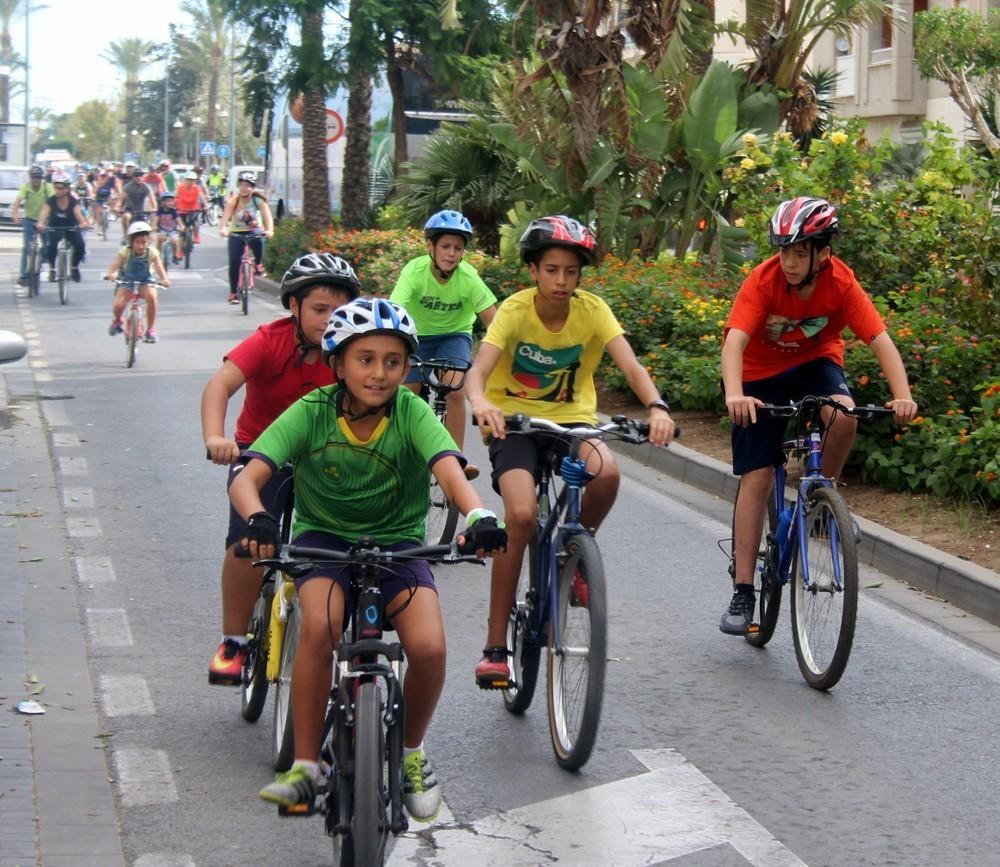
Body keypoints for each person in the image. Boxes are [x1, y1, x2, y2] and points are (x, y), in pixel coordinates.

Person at [230, 297, 507, 819]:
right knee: (321, 627)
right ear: (337, 363)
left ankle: (411, 754)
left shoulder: (411, 410)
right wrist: (257, 518)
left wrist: (479, 518)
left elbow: (448, 468)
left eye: (393, 362)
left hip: (399, 543)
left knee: (427, 646)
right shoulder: (311, 411)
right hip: (325, 542)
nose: (379, 373)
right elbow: (249, 478)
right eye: (365, 359)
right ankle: (308, 767)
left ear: (407, 367)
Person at [465, 215, 676, 686]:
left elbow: (631, 364)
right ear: (534, 271)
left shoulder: (593, 311)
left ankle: (571, 556)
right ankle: (495, 646)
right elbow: (477, 372)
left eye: (571, 271)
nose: (562, 280)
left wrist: (657, 406)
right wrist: (480, 402)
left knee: (607, 474)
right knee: (519, 517)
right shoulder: (515, 312)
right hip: (514, 425)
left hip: (572, 422)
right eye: (552, 270)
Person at [719, 196, 918, 635]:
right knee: (757, 477)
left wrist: (902, 396)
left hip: (815, 363)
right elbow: (734, 342)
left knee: (844, 415)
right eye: (784, 251)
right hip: (757, 374)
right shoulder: (763, 280)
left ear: (822, 253)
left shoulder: (841, 284)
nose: (788, 262)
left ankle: (821, 502)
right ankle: (743, 590)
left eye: (799, 252)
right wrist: (735, 394)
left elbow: (880, 340)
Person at [201, 253, 362, 686]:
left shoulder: (351, 353)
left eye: (339, 311)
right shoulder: (269, 340)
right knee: (246, 541)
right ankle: (232, 640)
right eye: (319, 309)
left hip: (324, 458)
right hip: (261, 454)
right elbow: (220, 384)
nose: (330, 320)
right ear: (293, 306)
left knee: (354, 545)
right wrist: (217, 437)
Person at [390, 210, 497, 479]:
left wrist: (498, 356)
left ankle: (455, 459)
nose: (451, 253)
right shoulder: (414, 272)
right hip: (416, 336)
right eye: (445, 246)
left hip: (454, 336)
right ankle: (403, 449)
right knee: (408, 390)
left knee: (454, 389)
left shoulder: (469, 277)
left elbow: (494, 323)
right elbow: (395, 313)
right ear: (431, 246)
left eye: (458, 248)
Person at [103, 220, 168, 343]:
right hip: (127, 282)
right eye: (137, 242)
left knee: (153, 298)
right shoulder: (125, 251)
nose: (141, 246)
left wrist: (165, 279)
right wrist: (110, 273)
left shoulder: (152, 252)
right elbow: (116, 263)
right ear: (131, 242)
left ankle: (150, 330)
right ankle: (117, 321)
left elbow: (159, 266)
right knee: (118, 305)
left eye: (144, 242)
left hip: (145, 282)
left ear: (149, 241)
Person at [220, 171, 274, 305]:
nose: (244, 188)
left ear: (253, 188)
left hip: (253, 231)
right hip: (236, 233)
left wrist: (269, 230)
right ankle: (233, 293)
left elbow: (268, 217)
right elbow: (225, 217)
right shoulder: (234, 201)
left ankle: (259, 265)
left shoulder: (258, 201)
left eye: (247, 185)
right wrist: (223, 229)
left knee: (259, 239)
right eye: (242, 185)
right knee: (234, 262)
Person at [35, 171, 90, 284]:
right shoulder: (50, 201)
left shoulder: (73, 202)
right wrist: (40, 224)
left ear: (67, 189)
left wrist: (83, 224)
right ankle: (52, 269)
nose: (57, 190)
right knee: (51, 244)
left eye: (60, 188)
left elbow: (79, 216)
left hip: (71, 228)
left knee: (80, 245)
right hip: (55, 228)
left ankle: (74, 267)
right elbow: (43, 215)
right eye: (55, 188)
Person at [11, 165, 54, 288]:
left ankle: (42, 258)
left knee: (48, 245)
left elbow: (53, 202)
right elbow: (18, 202)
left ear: (42, 178)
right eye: (33, 178)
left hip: (45, 220)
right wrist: (15, 214)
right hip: (29, 220)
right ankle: (23, 276)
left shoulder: (47, 187)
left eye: (38, 178)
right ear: (30, 178)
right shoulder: (26, 187)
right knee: (26, 247)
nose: (35, 180)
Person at [117, 167, 156, 238]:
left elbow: (153, 200)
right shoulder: (128, 187)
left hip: (143, 211)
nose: (139, 177)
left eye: (141, 175)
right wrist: (118, 207)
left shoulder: (146, 187)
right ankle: (126, 235)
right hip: (130, 210)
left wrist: (154, 208)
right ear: (133, 177)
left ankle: (150, 236)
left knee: (153, 218)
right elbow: (121, 199)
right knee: (125, 217)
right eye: (136, 175)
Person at [175, 171, 208, 247]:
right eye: (189, 179)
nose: (190, 181)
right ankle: (180, 249)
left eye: (192, 180)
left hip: (193, 209)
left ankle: (196, 236)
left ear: (195, 181)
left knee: (195, 222)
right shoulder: (180, 187)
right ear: (185, 180)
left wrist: (205, 205)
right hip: (182, 209)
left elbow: (202, 197)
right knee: (181, 228)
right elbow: (176, 197)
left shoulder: (196, 188)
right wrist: (173, 205)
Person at [153, 192, 182, 264]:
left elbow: (178, 220)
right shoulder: (160, 211)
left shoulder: (173, 211)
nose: (170, 203)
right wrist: (154, 226)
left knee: (174, 241)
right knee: (160, 239)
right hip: (163, 229)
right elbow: (156, 219)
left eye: (171, 201)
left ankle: (175, 256)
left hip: (172, 230)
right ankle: (157, 256)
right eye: (168, 201)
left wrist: (181, 226)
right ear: (163, 202)